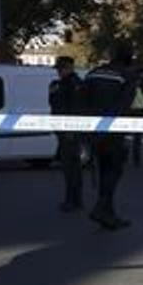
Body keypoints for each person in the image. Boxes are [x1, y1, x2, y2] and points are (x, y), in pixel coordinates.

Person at [83, 43, 140, 230]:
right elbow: (124, 106)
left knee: (103, 169)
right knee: (114, 170)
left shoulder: (93, 73)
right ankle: (102, 207)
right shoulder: (128, 75)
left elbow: (82, 100)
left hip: (92, 130)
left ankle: (109, 214)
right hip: (113, 131)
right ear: (128, 58)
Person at [49, 56, 86, 212]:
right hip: (64, 131)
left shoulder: (75, 84)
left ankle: (72, 200)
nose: (59, 71)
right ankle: (74, 200)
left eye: (61, 68)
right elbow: (54, 104)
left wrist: (71, 130)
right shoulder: (60, 84)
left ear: (70, 68)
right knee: (70, 168)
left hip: (70, 131)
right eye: (58, 68)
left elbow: (76, 109)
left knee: (71, 168)